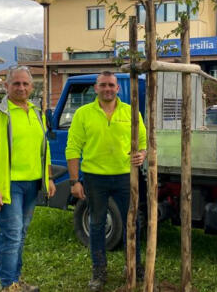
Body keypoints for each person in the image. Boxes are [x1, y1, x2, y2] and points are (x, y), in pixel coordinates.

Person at [0, 65, 56, 292]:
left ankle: (15, 281)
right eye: (16, 83)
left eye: (25, 83)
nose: (21, 87)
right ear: (6, 86)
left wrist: (49, 178)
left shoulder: (37, 113)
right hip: (8, 187)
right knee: (12, 234)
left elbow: (43, 149)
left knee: (20, 233)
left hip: (32, 184)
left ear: (31, 86)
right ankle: (8, 285)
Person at [66, 71, 147, 291]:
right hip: (94, 178)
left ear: (117, 88)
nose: (107, 89)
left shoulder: (131, 112)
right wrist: (75, 181)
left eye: (111, 85)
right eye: (103, 85)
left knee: (133, 222)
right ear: (96, 88)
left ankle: (134, 266)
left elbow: (143, 140)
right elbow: (72, 148)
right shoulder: (83, 114)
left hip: (125, 177)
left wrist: (143, 153)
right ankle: (99, 271)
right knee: (97, 224)